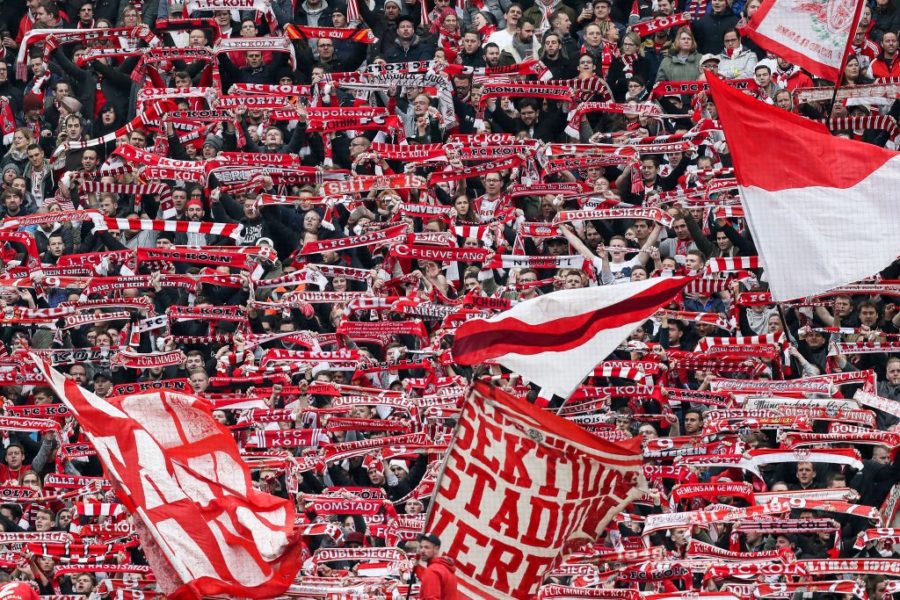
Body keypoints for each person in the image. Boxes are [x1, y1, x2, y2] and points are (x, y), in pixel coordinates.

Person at [417, 533, 459, 600]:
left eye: (426, 547)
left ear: (436, 549)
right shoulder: (446, 567)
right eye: (421, 547)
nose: (422, 551)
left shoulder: (432, 571)